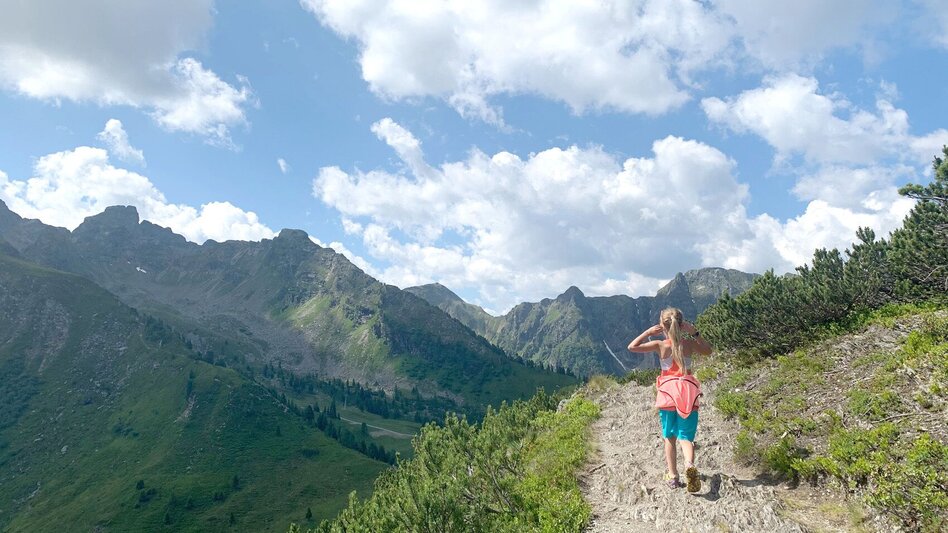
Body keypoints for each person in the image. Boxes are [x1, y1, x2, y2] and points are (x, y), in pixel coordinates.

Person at [627, 307, 713, 492]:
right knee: (685, 436)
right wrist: (695, 333)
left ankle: (673, 476)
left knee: (669, 437)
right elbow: (708, 351)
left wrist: (649, 332)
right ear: (682, 325)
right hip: (688, 391)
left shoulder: (661, 345)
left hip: (667, 392)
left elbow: (632, 347)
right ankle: (689, 465)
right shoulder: (689, 344)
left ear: (661, 325)